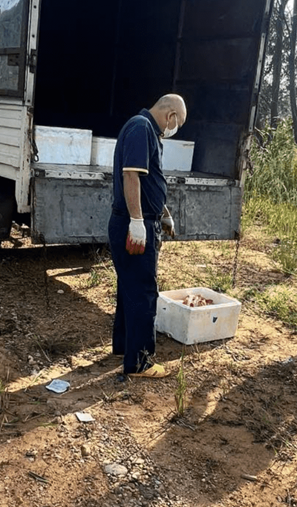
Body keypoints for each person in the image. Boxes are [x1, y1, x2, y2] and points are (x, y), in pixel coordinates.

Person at [108, 94, 187, 379]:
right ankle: (140, 362)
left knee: (129, 287)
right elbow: (131, 176)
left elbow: (147, 180)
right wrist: (139, 221)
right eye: (178, 123)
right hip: (134, 224)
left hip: (135, 220)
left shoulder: (143, 128)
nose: (174, 128)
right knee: (143, 291)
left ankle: (123, 346)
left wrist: (162, 211)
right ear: (171, 115)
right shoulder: (142, 128)